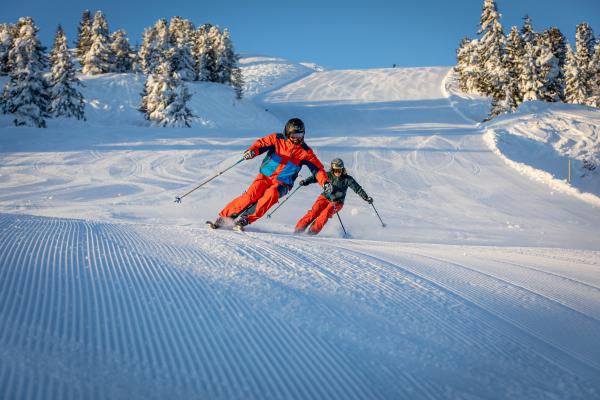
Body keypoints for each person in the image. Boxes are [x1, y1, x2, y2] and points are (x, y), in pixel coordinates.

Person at [210, 118, 331, 231]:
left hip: (283, 183)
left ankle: (245, 219)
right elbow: (260, 144)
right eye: (294, 135)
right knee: (250, 196)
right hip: (266, 176)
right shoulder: (277, 139)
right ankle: (225, 218)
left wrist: (325, 182)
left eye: (300, 135)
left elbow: (318, 170)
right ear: (287, 133)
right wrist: (251, 151)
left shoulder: (306, 152)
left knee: (270, 195)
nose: (296, 138)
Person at [295, 158, 373, 235]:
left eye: (339, 170)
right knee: (314, 212)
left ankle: (312, 231)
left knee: (325, 214)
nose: (338, 172)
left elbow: (358, 189)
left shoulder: (347, 179)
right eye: (336, 170)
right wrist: (306, 181)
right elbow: (316, 177)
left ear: (342, 170)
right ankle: (299, 229)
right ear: (332, 169)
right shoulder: (328, 175)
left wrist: (366, 197)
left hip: (337, 202)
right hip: (325, 197)